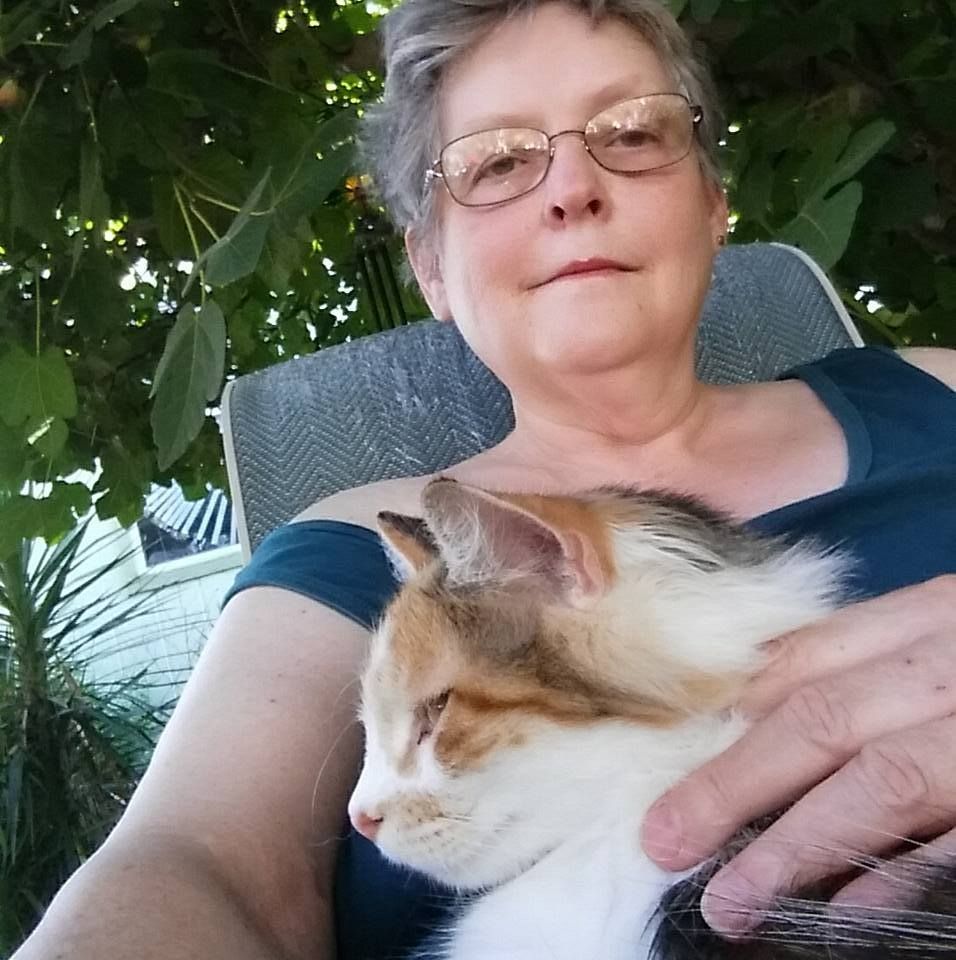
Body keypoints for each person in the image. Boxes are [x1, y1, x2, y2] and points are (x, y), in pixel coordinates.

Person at [14, 1, 956, 958]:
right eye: (498, 162)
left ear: (713, 200)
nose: (573, 187)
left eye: (630, 132)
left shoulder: (937, 388)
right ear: (429, 263)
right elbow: (188, 862)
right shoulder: (353, 546)